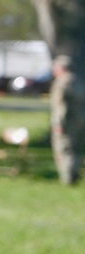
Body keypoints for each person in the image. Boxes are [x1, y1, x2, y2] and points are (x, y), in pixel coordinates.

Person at [50, 55, 83, 186]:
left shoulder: (61, 83)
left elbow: (61, 105)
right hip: (79, 121)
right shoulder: (78, 82)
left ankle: (68, 179)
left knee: (64, 149)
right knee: (76, 149)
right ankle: (76, 175)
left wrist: (59, 123)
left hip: (67, 122)